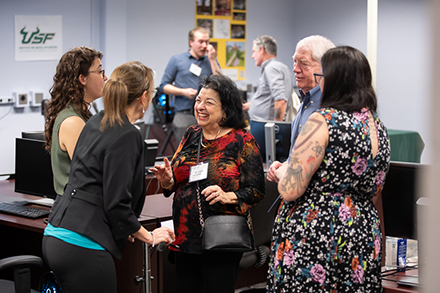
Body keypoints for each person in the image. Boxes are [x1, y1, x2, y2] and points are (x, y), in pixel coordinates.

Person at [42, 61, 175, 293]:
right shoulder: (127, 135)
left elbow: (93, 184)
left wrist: (128, 228)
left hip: (56, 235)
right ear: (143, 97)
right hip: (82, 244)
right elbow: (117, 204)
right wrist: (149, 235)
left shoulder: (96, 120)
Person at [267, 46, 391, 292]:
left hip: (318, 234)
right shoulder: (377, 126)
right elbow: (375, 191)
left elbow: (291, 189)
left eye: (322, 77)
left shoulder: (322, 120)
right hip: (362, 233)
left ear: (335, 81)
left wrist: (282, 171)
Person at [151, 74, 265, 293]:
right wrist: (167, 180)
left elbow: (257, 190)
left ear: (226, 109)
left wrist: (226, 196)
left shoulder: (242, 140)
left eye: (209, 102)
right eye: (198, 100)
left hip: (222, 240)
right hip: (185, 238)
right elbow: (174, 182)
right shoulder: (191, 134)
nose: (200, 107)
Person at [267, 35, 335, 183]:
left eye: (303, 63)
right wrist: (284, 165)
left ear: (326, 67)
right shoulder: (305, 101)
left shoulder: (331, 107)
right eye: (294, 62)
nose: (295, 69)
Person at [44, 46, 107, 196]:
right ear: (82, 78)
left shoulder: (81, 115)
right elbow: (92, 172)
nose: (105, 77)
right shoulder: (73, 122)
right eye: (100, 71)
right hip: (76, 212)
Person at [159, 27, 221, 143]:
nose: (204, 45)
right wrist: (183, 92)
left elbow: (221, 83)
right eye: (201, 42)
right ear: (191, 42)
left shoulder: (210, 60)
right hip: (184, 112)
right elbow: (164, 86)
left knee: (208, 150)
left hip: (208, 113)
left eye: (207, 42)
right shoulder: (177, 60)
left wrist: (212, 60)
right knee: (186, 152)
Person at [244, 35, 293, 121]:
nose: (252, 56)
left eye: (254, 51)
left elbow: (280, 100)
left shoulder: (272, 68)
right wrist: (252, 105)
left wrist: (276, 127)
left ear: (262, 50)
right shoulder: (280, 66)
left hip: (266, 126)